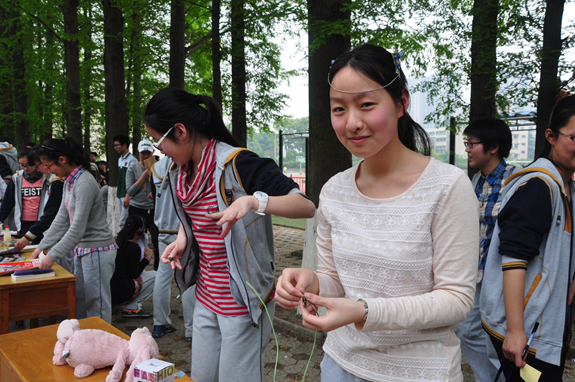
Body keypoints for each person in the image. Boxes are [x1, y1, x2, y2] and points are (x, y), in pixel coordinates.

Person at [275, 44, 479, 382]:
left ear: (401, 103)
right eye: (338, 109)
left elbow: (456, 300)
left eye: (367, 105)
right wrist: (311, 281)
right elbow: (335, 281)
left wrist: (365, 311)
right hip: (340, 365)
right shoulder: (334, 190)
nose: (353, 122)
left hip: (418, 372)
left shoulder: (447, 187)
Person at [143, 87, 316, 382]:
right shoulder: (178, 171)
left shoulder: (239, 164)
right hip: (206, 296)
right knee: (202, 376)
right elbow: (194, 217)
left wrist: (253, 201)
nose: (161, 153)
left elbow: (305, 206)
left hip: (243, 301)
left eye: (160, 143)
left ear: (181, 131)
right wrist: (184, 239)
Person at [481, 95, 575, 381]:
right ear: (550, 136)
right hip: (527, 334)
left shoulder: (567, 187)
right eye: (574, 137)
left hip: (545, 326)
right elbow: (514, 256)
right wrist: (515, 330)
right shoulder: (539, 186)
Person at [453, 117, 515, 382]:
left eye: (472, 143)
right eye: (466, 143)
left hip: (504, 278)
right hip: (476, 273)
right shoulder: (476, 180)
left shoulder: (516, 180)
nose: (467, 149)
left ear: (493, 147)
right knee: (465, 329)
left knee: (495, 340)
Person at [30, 137, 117, 323]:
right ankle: (86, 343)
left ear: (62, 160)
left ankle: (102, 346)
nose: (48, 170)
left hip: (97, 250)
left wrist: (51, 255)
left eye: (48, 165)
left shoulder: (84, 182)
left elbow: (77, 228)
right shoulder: (69, 182)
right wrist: (40, 247)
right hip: (82, 249)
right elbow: (61, 219)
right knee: (80, 300)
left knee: (97, 306)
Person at [150, 155, 195, 340]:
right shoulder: (186, 162)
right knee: (186, 277)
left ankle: (160, 323)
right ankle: (191, 330)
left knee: (162, 275)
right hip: (182, 230)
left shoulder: (156, 167)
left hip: (162, 229)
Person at [11, 147, 65, 250]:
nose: (39, 169)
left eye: (41, 165)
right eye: (22, 166)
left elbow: (52, 213)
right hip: (49, 232)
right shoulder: (54, 179)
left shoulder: (57, 180)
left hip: (60, 237)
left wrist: (29, 237)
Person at [0, 148, 53, 242]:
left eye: (28, 166)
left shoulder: (47, 177)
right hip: (23, 224)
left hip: (42, 222)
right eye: (22, 165)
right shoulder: (16, 178)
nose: (25, 169)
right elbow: (8, 202)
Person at [111, 215, 156, 318]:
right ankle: (132, 307)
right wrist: (147, 259)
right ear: (140, 230)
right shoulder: (133, 247)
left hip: (108, 291)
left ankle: (115, 305)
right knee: (156, 276)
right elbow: (134, 274)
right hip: (122, 291)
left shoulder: (116, 241)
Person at [125, 139, 160, 270]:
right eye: (142, 153)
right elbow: (130, 191)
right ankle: (135, 268)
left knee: (156, 239)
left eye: (148, 153)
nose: (145, 156)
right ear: (138, 153)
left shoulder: (158, 167)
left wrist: (155, 191)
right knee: (135, 239)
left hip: (153, 210)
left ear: (152, 153)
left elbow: (165, 186)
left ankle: (157, 269)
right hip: (136, 209)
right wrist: (145, 175)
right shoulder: (133, 168)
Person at [113, 134, 137, 228]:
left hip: (127, 194)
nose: (115, 148)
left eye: (117, 145)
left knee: (124, 221)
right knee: (123, 219)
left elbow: (134, 179)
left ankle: (124, 240)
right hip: (120, 192)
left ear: (125, 145)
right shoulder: (120, 159)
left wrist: (128, 195)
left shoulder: (132, 160)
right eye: (114, 145)